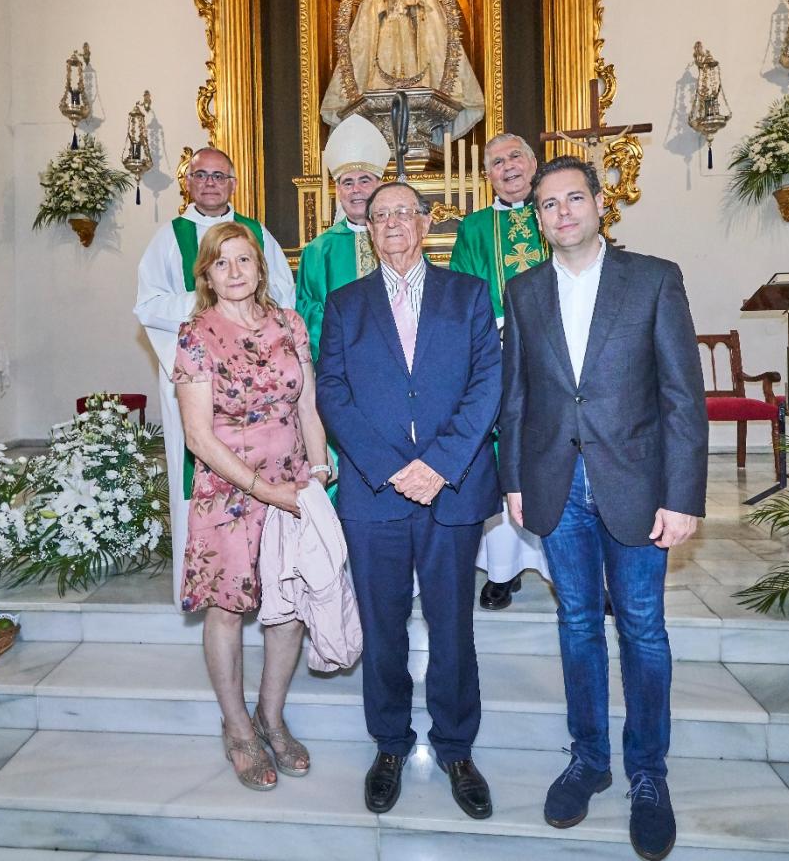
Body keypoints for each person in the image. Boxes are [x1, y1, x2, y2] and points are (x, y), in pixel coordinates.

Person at [499, 155, 707, 861]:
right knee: (578, 622)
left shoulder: (652, 278)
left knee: (643, 627)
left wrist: (683, 495)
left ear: (599, 203)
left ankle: (649, 773)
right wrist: (514, 479)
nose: (562, 213)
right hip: (557, 484)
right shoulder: (524, 289)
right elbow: (517, 395)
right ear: (538, 218)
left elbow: (684, 395)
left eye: (573, 199)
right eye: (548, 204)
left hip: (638, 486)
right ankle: (588, 758)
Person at [317, 182, 501, 821]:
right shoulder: (345, 305)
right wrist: (397, 469)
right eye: (380, 215)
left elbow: (487, 385)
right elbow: (332, 393)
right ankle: (390, 744)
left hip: (453, 489)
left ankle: (456, 748)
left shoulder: (469, 295)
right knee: (383, 627)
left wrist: (439, 466)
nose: (393, 222)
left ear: (426, 223)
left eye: (404, 212)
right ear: (367, 230)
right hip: (374, 494)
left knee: (454, 627)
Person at [173, 222, 332, 791]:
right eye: (223, 263)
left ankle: (271, 714)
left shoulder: (289, 325)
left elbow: (307, 405)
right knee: (226, 608)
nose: (236, 272)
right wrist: (262, 490)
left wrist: (317, 469)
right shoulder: (196, 336)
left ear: (261, 268)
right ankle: (237, 727)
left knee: (286, 603)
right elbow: (198, 436)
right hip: (230, 490)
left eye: (245, 261)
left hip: (291, 483)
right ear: (207, 275)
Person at [135, 148, 296, 604]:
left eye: (219, 176)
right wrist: (211, 302)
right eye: (201, 175)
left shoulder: (256, 233)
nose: (209, 183)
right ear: (188, 182)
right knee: (200, 472)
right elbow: (146, 305)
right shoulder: (168, 237)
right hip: (196, 382)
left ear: (233, 182)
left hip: (259, 391)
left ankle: (271, 586)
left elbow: (284, 300)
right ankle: (210, 589)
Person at [450, 132, 551, 609]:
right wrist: (503, 326)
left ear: (533, 163)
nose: (507, 167)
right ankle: (502, 570)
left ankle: (567, 569)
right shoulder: (473, 228)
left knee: (555, 453)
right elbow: (464, 290)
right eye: (496, 162)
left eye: (515, 157)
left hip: (558, 360)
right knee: (503, 455)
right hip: (499, 355)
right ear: (487, 175)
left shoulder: (556, 210)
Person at [320, 0, 484, 138]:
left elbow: (420, 15)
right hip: (389, 27)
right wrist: (385, 2)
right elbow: (376, 13)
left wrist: (412, 3)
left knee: (407, 52)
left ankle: (410, 81)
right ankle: (384, 83)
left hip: (405, 26)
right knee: (387, 52)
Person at [295, 115, 389, 360]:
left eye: (364, 180)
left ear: (380, 185)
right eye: (347, 182)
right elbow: (309, 314)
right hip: (340, 364)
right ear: (338, 191)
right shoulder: (318, 251)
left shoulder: (398, 237)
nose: (355, 190)